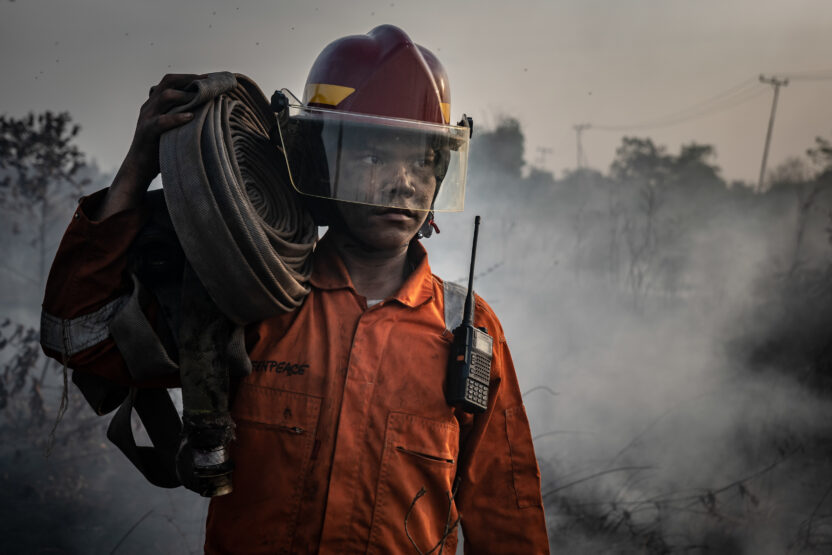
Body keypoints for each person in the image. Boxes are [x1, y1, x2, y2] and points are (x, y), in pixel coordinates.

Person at [41, 25, 549, 554]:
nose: (403, 182)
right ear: (318, 162)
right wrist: (138, 169)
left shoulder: (468, 333)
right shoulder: (258, 298)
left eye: (423, 159)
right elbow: (78, 333)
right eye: (375, 157)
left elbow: (507, 514)